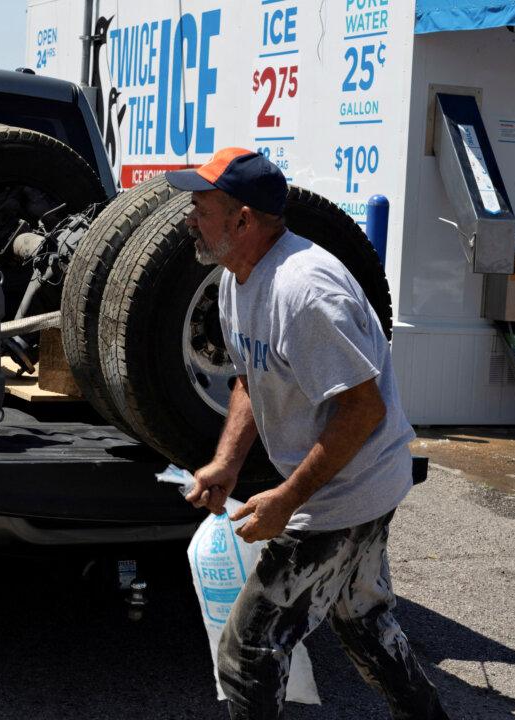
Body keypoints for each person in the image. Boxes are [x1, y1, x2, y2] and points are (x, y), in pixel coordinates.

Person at [171, 148, 448, 720]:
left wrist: (288, 499)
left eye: (200, 208)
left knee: (248, 653)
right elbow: (251, 377)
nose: (188, 220)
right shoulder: (236, 278)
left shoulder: (305, 292)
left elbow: (361, 410)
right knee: (364, 624)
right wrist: (226, 461)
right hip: (348, 482)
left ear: (242, 220)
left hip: (346, 492)